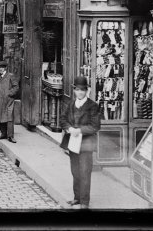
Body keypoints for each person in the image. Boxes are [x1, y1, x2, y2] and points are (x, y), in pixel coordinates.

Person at [60, 75, 101, 210]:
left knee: (85, 172)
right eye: (77, 90)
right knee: (75, 172)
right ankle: (77, 198)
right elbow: (63, 119)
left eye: (82, 90)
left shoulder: (92, 106)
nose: (80, 92)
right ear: (74, 90)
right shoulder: (71, 104)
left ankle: (84, 202)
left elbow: (95, 126)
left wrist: (79, 130)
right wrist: (69, 128)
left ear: (86, 90)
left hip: (86, 145)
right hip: (72, 143)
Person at [0, 61, 19, 142]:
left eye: (2, 67)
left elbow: (16, 87)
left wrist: (9, 94)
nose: (0, 69)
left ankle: (10, 136)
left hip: (9, 101)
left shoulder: (10, 76)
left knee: (9, 117)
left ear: (5, 68)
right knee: (1, 116)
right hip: (0, 100)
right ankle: (3, 133)